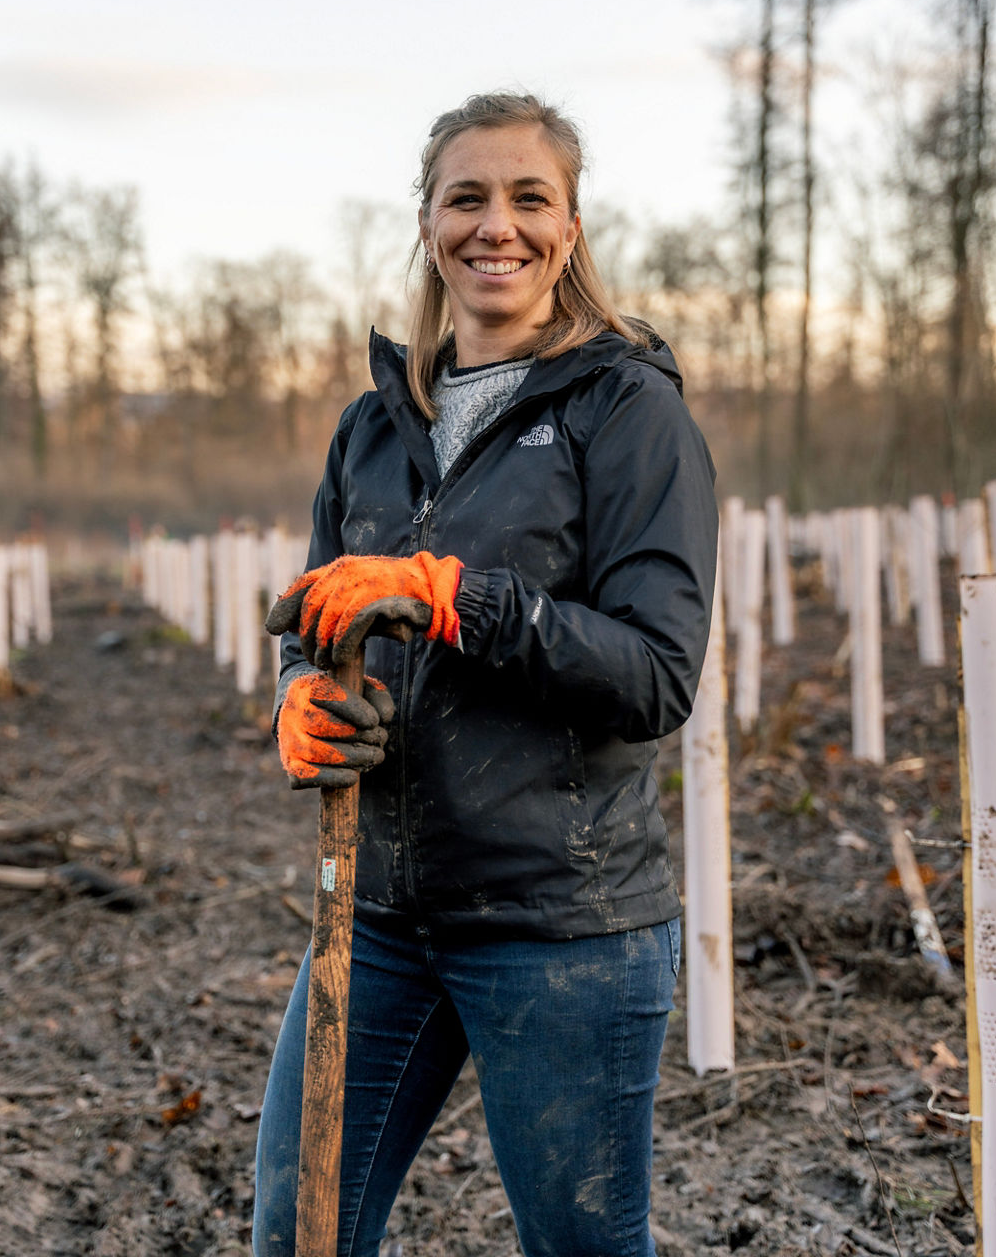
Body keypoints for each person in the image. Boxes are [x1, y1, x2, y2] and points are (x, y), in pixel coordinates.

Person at [254, 91, 719, 1257]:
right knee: (298, 1231)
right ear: (426, 222)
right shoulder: (373, 424)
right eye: (465, 197)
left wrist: (459, 596)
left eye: (528, 198)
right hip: (374, 908)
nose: (494, 225)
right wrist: (297, 698)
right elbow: (315, 622)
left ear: (568, 227)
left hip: (560, 926)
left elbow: (655, 674)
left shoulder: (629, 412)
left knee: (582, 1248)